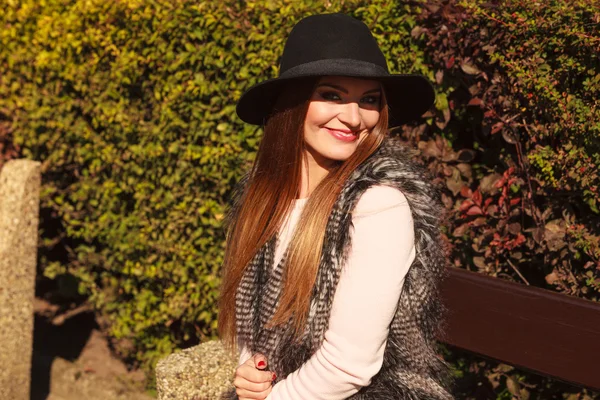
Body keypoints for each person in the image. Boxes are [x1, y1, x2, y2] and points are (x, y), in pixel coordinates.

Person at [219, 13, 453, 400]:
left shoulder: (377, 204)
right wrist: (253, 372)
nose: (353, 117)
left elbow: (348, 365)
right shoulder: (264, 203)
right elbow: (254, 327)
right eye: (331, 95)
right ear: (292, 104)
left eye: (369, 100)